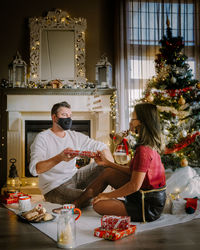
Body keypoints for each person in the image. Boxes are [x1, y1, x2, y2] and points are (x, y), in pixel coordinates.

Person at [74, 103, 166, 222]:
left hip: (147, 205)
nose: (130, 122)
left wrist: (107, 195)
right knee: (109, 172)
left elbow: (134, 185)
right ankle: (77, 203)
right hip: (142, 194)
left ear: (141, 122)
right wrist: (108, 163)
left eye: (133, 118)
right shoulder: (146, 146)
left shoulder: (144, 151)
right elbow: (134, 172)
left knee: (97, 205)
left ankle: (85, 202)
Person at [29, 101, 114, 205]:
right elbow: (35, 169)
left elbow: (102, 146)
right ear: (54, 118)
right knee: (91, 199)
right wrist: (60, 157)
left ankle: (92, 194)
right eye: (64, 115)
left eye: (70, 116)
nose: (68, 118)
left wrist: (111, 166)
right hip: (54, 187)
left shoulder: (73, 136)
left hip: (74, 176)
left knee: (104, 166)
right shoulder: (42, 138)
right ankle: (88, 195)